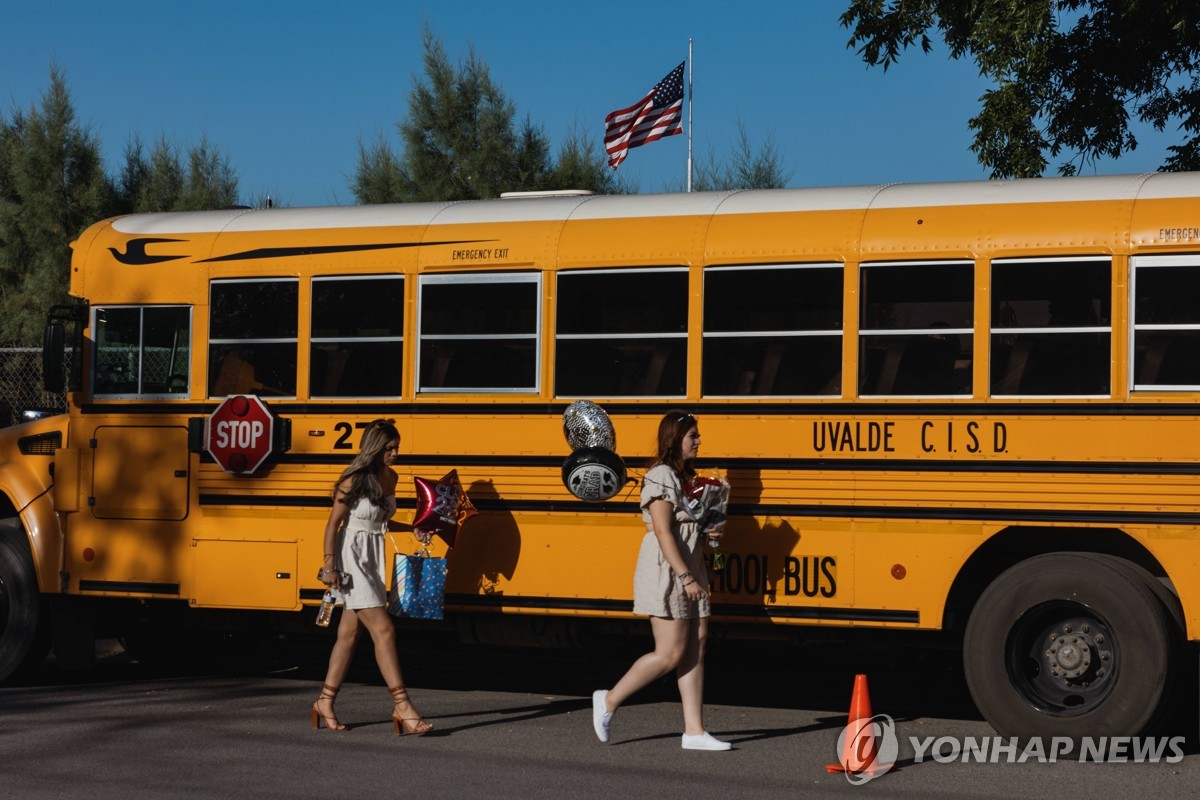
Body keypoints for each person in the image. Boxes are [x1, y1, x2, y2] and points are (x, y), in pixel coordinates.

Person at [592, 410, 731, 751]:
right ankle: (608, 700)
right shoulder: (660, 475)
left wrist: (712, 532)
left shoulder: (688, 477)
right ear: (674, 439)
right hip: (668, 570)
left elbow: (686, 527)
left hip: (692, 564)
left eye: (698, 435)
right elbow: (663, 531)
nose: (698, 441)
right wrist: (685, 577)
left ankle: (694, 732)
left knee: (696, 647)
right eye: (692, 436)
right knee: (669, 653)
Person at [310, 418, 433, 735]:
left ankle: (325, 700)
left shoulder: (390, 477)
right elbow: (333, 524)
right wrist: (329, 565)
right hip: (350, 558)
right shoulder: (353, 479)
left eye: (397, 448)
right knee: (384, 629)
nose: (395, 453)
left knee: (349, 636)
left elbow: (379, 523)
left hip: (374, 556)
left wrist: (413, 529)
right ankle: (402, 706)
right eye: (389, 448)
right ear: (375, 448)